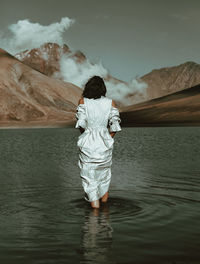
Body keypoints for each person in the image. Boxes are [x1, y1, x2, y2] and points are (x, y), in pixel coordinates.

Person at [75, 75, 122, 209]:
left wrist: (86, 136)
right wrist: (108, 138)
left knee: (89, 177)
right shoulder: (110, 102)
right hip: (104, 142)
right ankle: (104, 214)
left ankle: (94, 213)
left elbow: (81, 124)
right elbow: (115, 126)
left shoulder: (83, 102)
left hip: (88, 142)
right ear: (103, 88)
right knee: (104, 175)